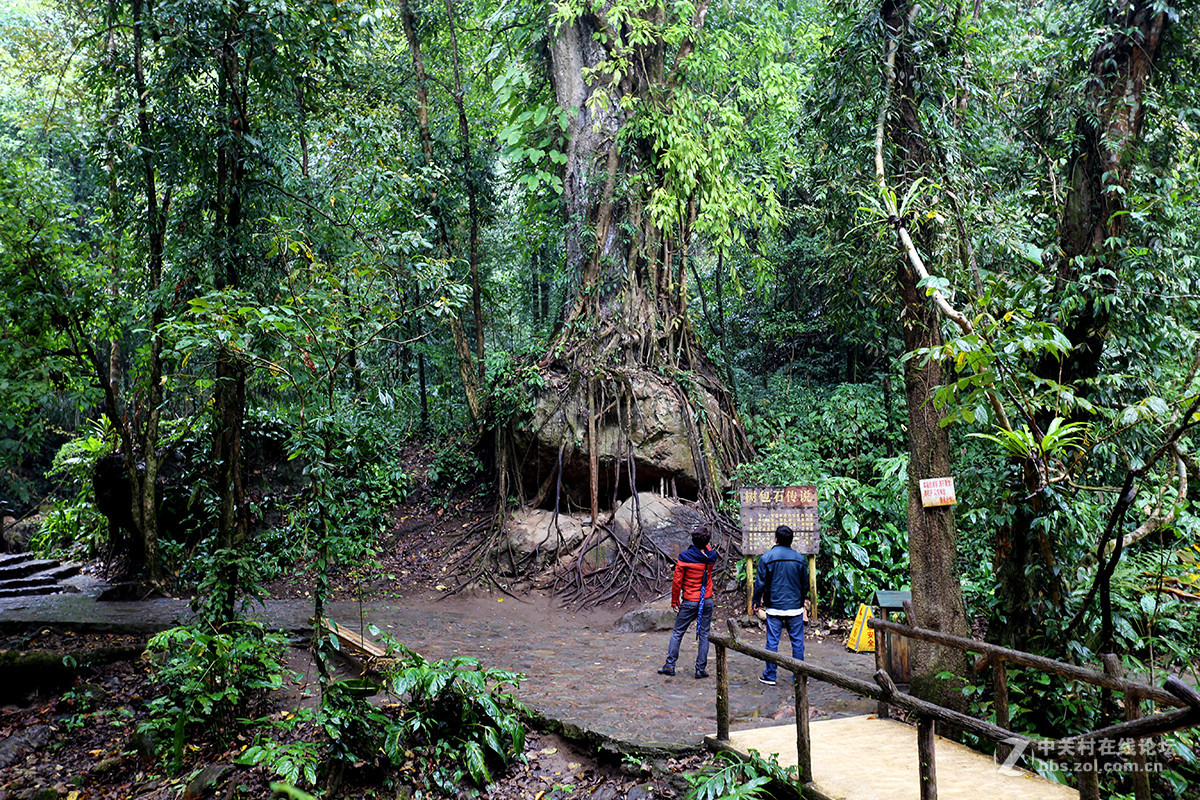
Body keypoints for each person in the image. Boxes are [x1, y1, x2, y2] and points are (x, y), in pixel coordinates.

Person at [658, 525, 719, 679]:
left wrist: (674, 600)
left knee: (678, 632)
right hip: (706, 600)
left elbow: (677, 582)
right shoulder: (711, 557)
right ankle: (700, 669)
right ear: (707, 542)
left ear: (692, 540)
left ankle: (670, 665)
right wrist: (704, 542)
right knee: (704, 634)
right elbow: (708, 549)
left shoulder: (684, 557)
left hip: (690, 600)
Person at [752, 524, 808, 685]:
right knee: (797, 642)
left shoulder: (767, 558)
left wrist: (756, 601)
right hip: (795, 607)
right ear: (791, 540)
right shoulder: (799, 559)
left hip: (774, 606)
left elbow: (760, 583)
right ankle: (799, 676)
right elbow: (804, 584)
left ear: (776, 539)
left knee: (772, 641)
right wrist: (801, 601)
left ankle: (770, 675)